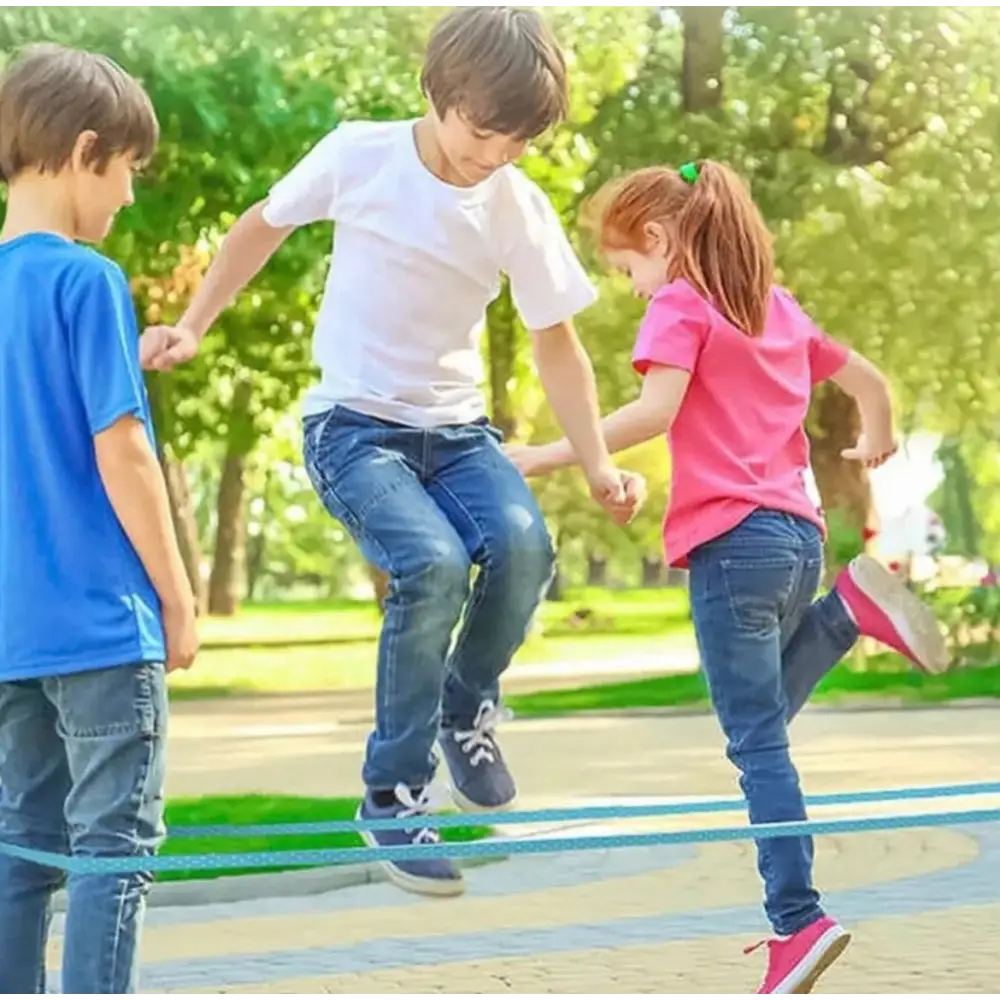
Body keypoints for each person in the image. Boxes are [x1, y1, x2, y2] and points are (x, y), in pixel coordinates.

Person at [140, 5, 644, 899]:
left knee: (526, 546)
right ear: (438, 94)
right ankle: (393, 789)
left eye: (514, 142)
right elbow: (262, 225)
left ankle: (466, 705)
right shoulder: (358, 155)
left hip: (457, 434)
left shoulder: (516, 206)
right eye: (481, 131)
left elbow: (556, 344)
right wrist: (191, 323)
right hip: (352, 427)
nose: (491, 155)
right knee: (433, 563)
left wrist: (595, 459)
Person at [506, 160, 948, 997]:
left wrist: (557, 454)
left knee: (756, 743)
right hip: (797, 539)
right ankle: (847, 606)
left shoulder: (682, 306)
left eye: (627, 269)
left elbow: (653, 413)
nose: (634, 290)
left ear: (660, 241)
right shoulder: (776, 309)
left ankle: (798, 920)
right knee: (761, 720)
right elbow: (867, 381)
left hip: (730, 544)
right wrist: (876, 437)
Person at [0, 44, 198, 995]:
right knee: (112, 851)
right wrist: (180, 596)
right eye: (126, 172)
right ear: (86, 152)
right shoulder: (87, 281)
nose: (126, 198)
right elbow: (123, 454)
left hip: (11, 637)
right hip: (100, 628)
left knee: (19, 849)